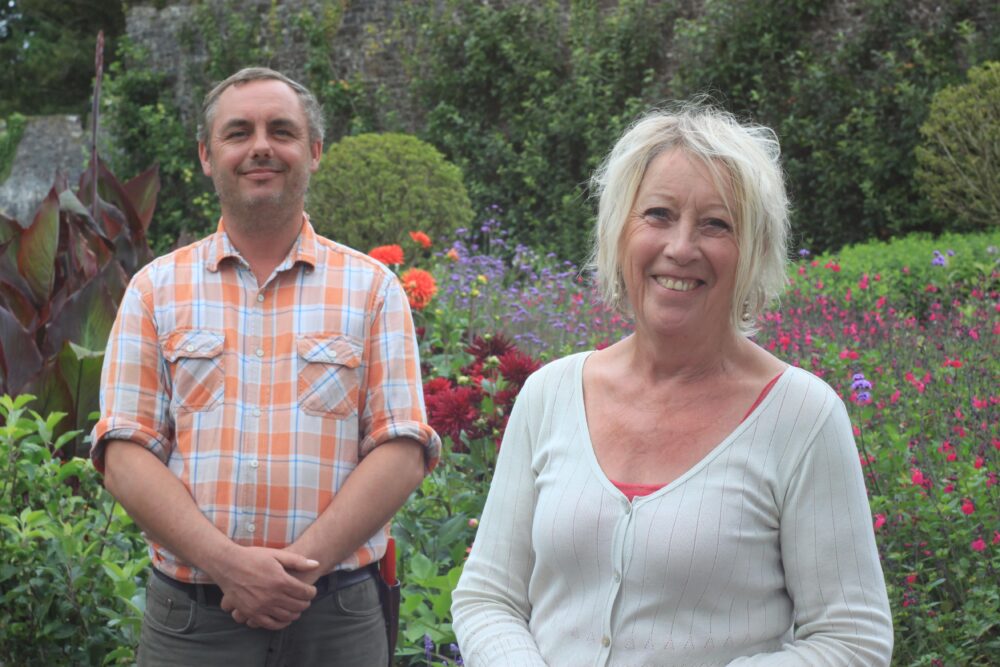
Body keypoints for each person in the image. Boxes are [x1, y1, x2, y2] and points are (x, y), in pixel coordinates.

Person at [451, 104, 893, 666]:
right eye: (658, 214)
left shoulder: (803, 417)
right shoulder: (550, 395)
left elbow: (852, 641)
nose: (682, 248)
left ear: (754, 251)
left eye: (716, 224)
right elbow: (488, 595)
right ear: (618, 233)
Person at [91, 67, 440, 666]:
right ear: (207, 155)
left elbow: (402, 448)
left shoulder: (373, 290)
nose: (260, 146)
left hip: (335, 617)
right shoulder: (156, 290)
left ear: (314, 151)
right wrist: (230, 565)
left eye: (281, 130)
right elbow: (124, 453)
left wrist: (293, 572)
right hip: (193, 623)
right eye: (238, 132)